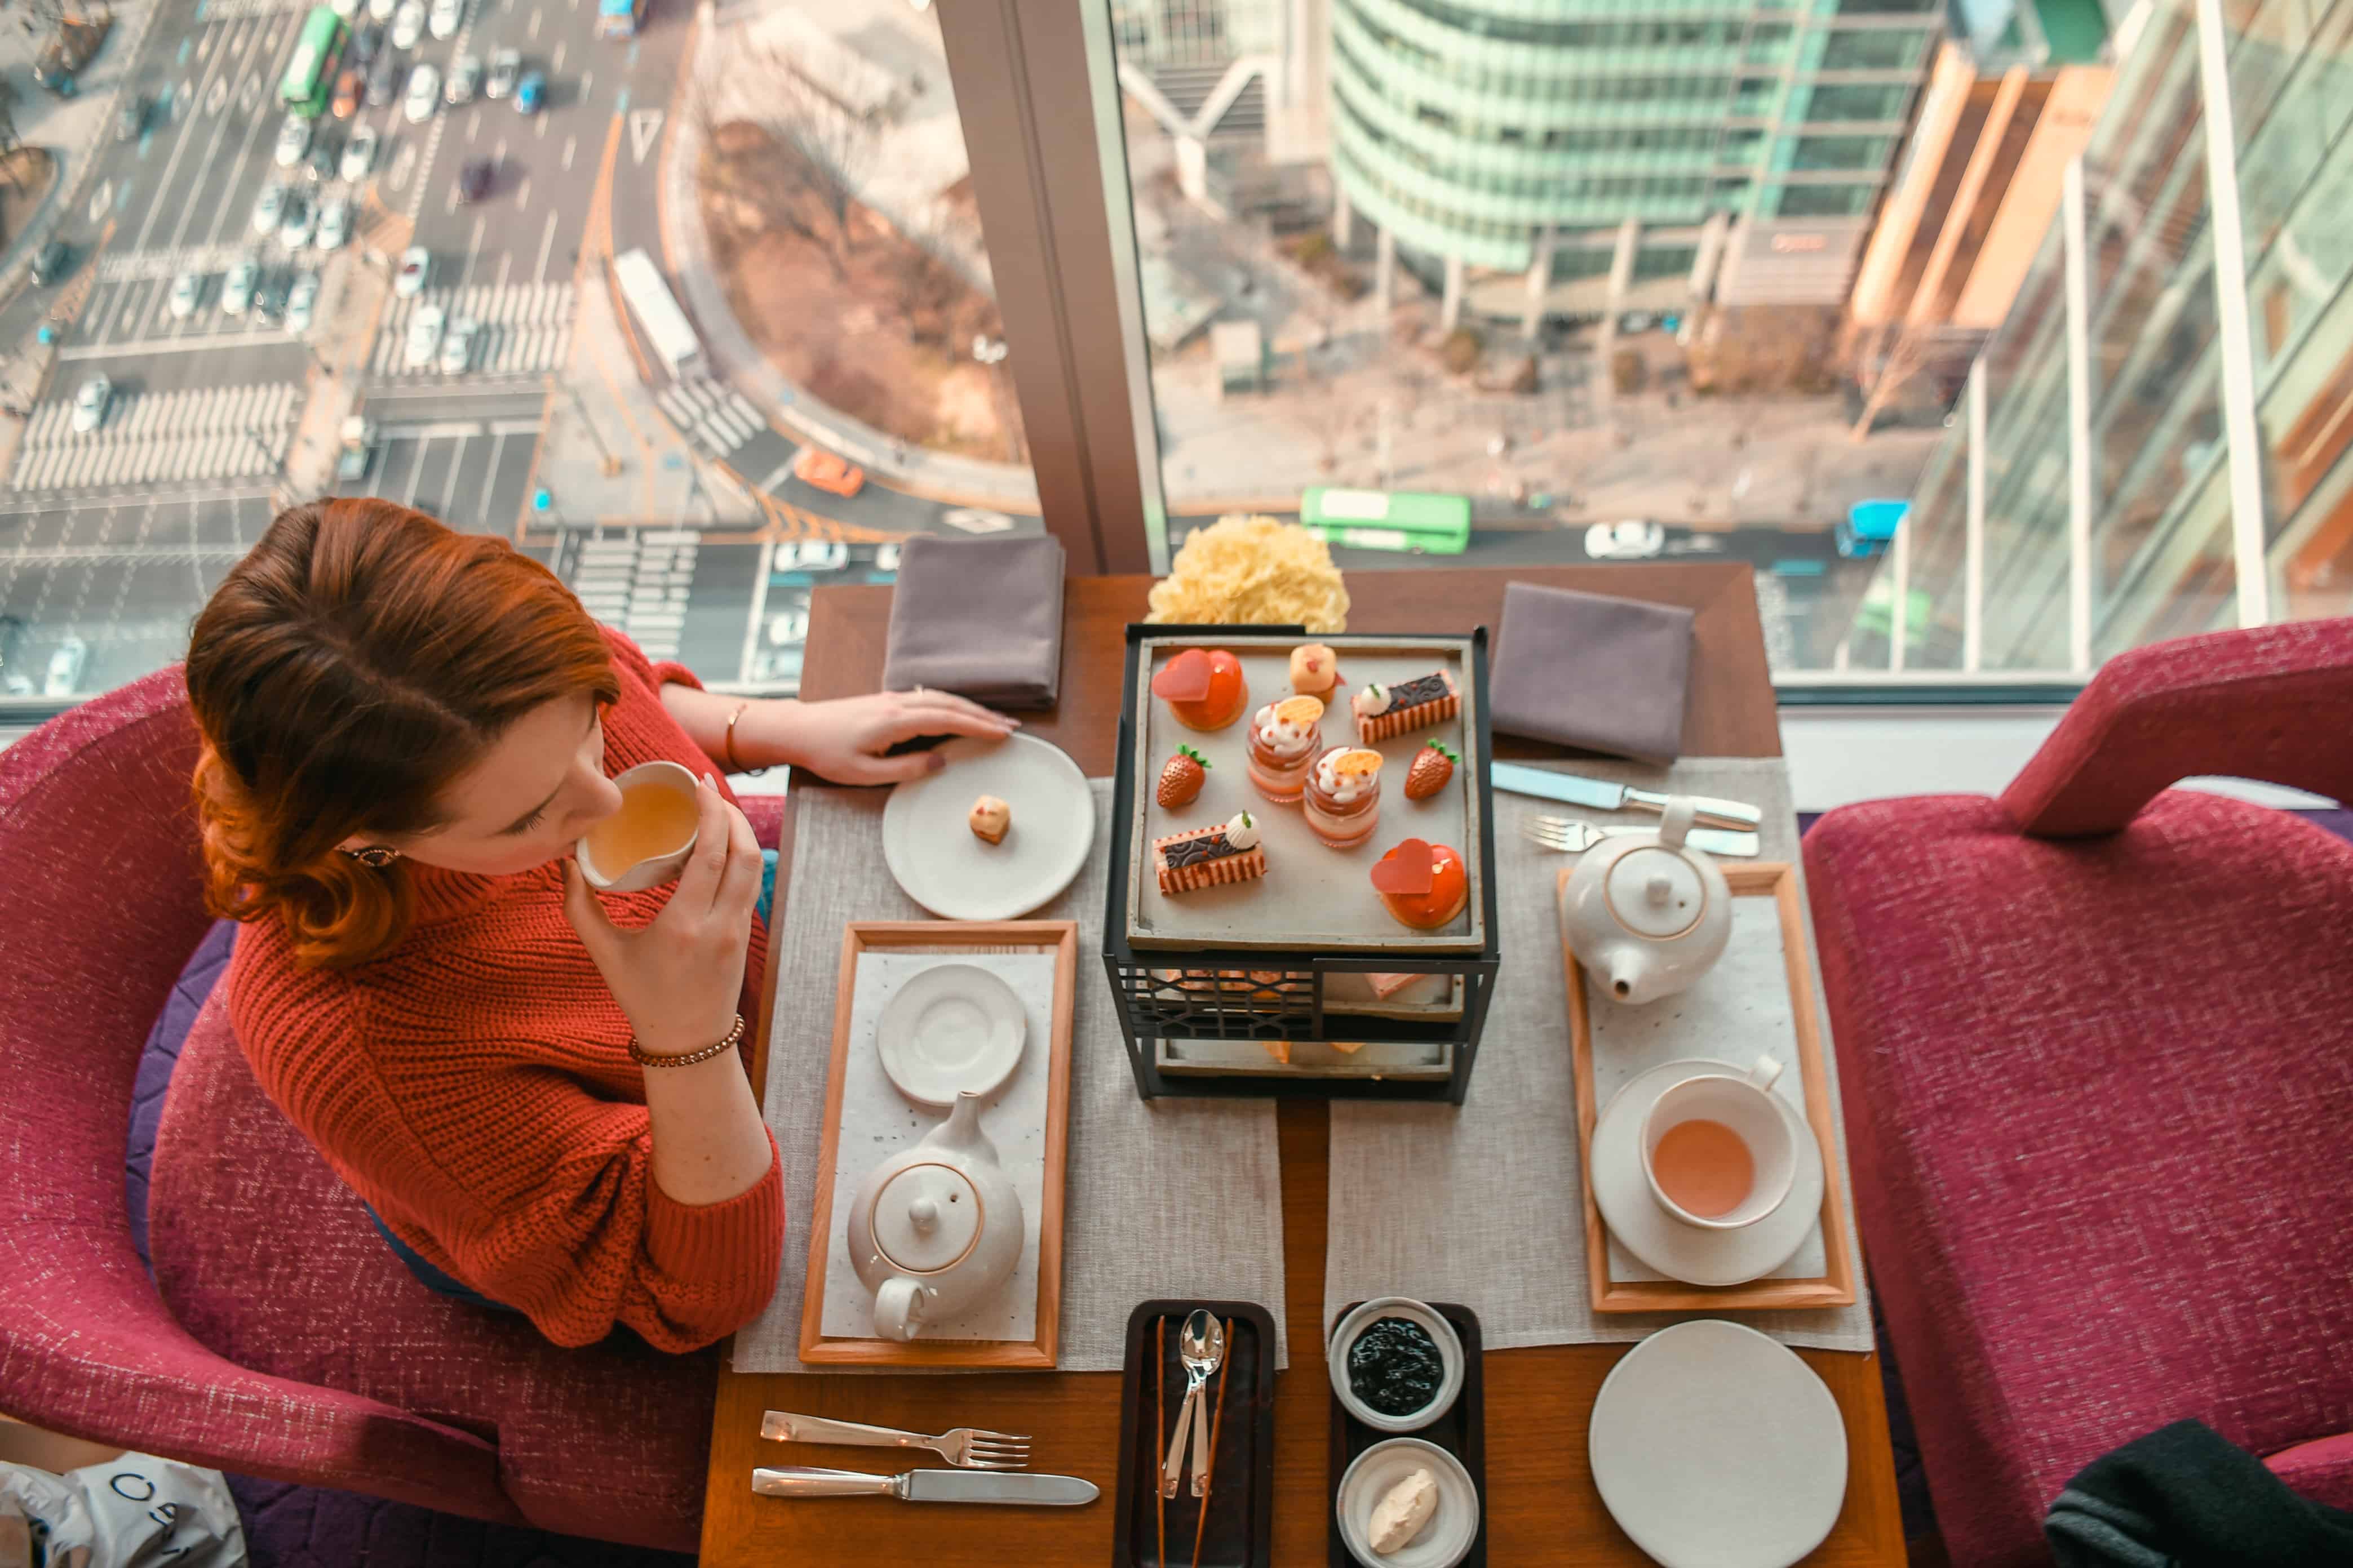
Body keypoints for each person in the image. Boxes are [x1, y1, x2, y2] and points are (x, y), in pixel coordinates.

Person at [181, 499, 1016, 1351]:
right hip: (596, 1188)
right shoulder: (371, 1054)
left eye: (591, 723)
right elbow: (699, 1293)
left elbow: (631, 683)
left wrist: (774, 728)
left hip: (732, 1005)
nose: (609, 797)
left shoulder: (497, 674)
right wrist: (686, 1034)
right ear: (366, 841)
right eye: (530, 818)